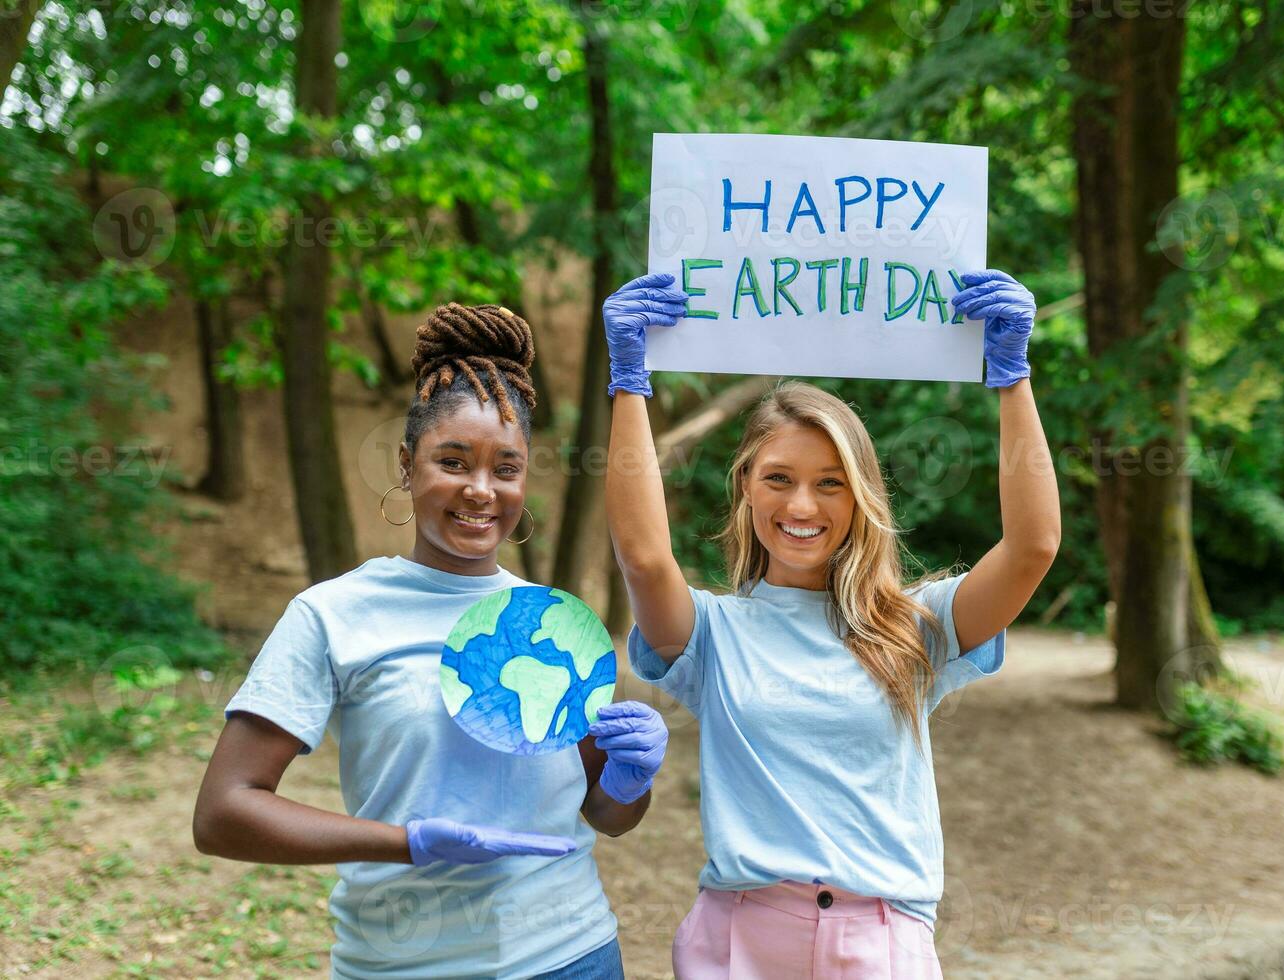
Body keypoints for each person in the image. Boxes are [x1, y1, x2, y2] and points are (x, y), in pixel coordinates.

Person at [602, 270, 1060, 977]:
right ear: (746, 485)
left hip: (881, 942)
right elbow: (641, 552)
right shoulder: (711, 632)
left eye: (830, 482)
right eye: (779, 478)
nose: (803, 506)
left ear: (861, 496)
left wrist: (1012, 378)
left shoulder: (916, 625)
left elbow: (1033, 548)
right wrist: (628, 381)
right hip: (739, 940)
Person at [193, 302, 668, 979]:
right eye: (454, 461)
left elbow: (607, 814)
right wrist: (408, 843)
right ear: (406, 462)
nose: (481, 490)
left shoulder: (551, 622)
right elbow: (222, 813)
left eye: (506, 468)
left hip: (572, 955)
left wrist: (631, 778)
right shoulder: (333, 615)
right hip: (401, 963)